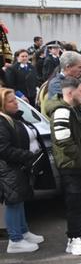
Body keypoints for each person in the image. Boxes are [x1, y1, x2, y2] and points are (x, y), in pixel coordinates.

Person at [46, 78, 81, 256]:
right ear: (70, 92)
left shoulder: (77, 108)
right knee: (74, 202)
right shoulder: (62, 112)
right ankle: (73, 238)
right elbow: (64, 141)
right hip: (73, 166)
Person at [0, 87, 44, 253]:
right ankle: (15, 239)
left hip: (18, 166)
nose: (16, 103)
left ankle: (23, 231)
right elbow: (3, 149)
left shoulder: (13, 118)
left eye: (15, 100)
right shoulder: (2, 122)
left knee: (20, 200)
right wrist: (26, 155)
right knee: (14, 202)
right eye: (11, 101)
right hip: (9, 168)